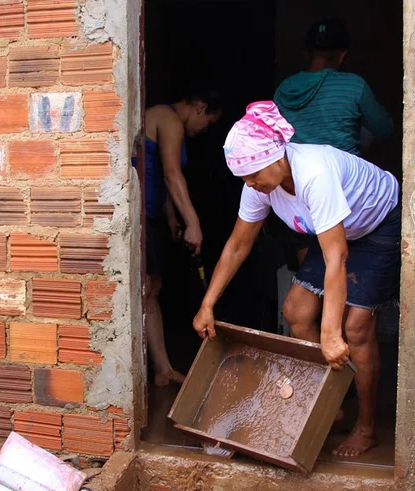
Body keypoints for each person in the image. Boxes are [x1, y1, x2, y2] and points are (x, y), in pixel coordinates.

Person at [193, 102, 399, 457]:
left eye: (253, 174)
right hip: (337, 230)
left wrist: (331, 333)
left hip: (379, 223)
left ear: (277, 157)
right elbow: (239, 244)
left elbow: (337, 257)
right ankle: (333, 399)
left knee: (356, 328)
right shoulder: (259, 185)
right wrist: (207, 303)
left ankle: (365, 428)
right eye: (243, 177)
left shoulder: (314, 174)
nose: (249, 183)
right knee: (296, 311)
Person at [139, 87, 223, 386]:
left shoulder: (165, 121)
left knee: (152, 288)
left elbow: (156, 172)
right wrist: (193, 222)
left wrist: (172, 216)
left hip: (149, 213)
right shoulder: (169, 118)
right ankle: (141, 377)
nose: (204, 130)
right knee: (145, 288)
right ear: (200, 108)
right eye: (209, 122)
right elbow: (171, 174)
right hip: (136, 214)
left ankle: (162, 370)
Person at [274, 18, 394, 157]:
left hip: (297, 173)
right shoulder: (354, 85)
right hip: (343, 174)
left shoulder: (284, 88)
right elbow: (384, 130)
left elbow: (274, 138)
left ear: (306, 54)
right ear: (342, 55)